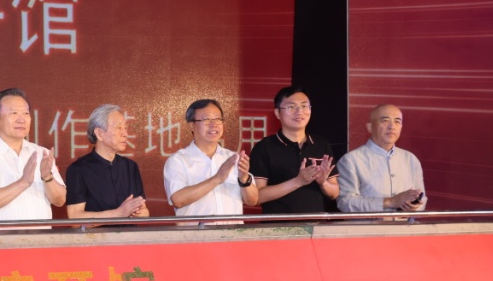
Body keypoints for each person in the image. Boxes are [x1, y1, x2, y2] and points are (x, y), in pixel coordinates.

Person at [0, 88, 66, 223]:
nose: (21, 119)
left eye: (26, 113)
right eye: (13, 113)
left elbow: (60, 200)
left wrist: (47, 177)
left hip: (39, 236)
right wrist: (23, 182)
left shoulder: (42, 154)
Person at [250, 86, 339, 214]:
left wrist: (323, 183)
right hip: (279, 224)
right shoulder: (264, 147)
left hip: (315, 224)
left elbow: (334, 193)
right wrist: (298, 181)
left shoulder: (321, 144)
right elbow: (257, 196)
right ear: (277, 113)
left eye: (304, 106)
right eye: (291, 107)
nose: (299, 111)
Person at [163, 99, 258, 219]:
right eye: (206, 119)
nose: (214, 124)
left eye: (218, 119)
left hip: (231, 230)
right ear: (192, 125)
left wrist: (244, 179)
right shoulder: (178, 160)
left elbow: (252, 201)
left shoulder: (233, 158)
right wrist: (217, 179)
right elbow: (178, 200)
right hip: (196, 231)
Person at [337, 103, 426, 213]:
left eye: (397, 121)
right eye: (385, 121)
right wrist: (390, 202)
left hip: (404, 223)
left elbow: (422, 197)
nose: (392, 126)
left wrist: (415, 206)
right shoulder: (351, 160)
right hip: (368, 224)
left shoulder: (410, 159)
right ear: (370, 127)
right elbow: (345, 202)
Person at [65, 104, 148, 220]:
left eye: (125, 128)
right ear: (99, 133)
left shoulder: (130, 167)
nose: (125, 134)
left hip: (129, 232)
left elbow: (145, 212)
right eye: (119, 128)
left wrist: (138, 212)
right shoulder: (78, 169)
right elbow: (75, 218)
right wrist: (119, 213)